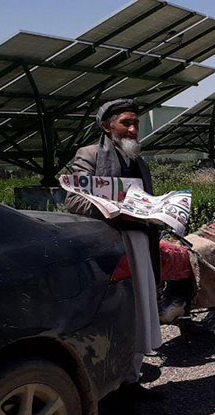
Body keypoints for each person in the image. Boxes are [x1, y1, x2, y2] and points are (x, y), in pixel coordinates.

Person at [67, 98, 161, 392]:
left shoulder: (139, 161)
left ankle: (131, 379)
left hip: (139, 244)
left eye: (136, 123)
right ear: (107, 126)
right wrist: (115, 210)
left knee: (138, 309)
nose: (133, 129)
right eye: (126, 123)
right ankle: (108, 381)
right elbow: (73, 199)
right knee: (113, 311)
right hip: (108, 246)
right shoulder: (90, 155)